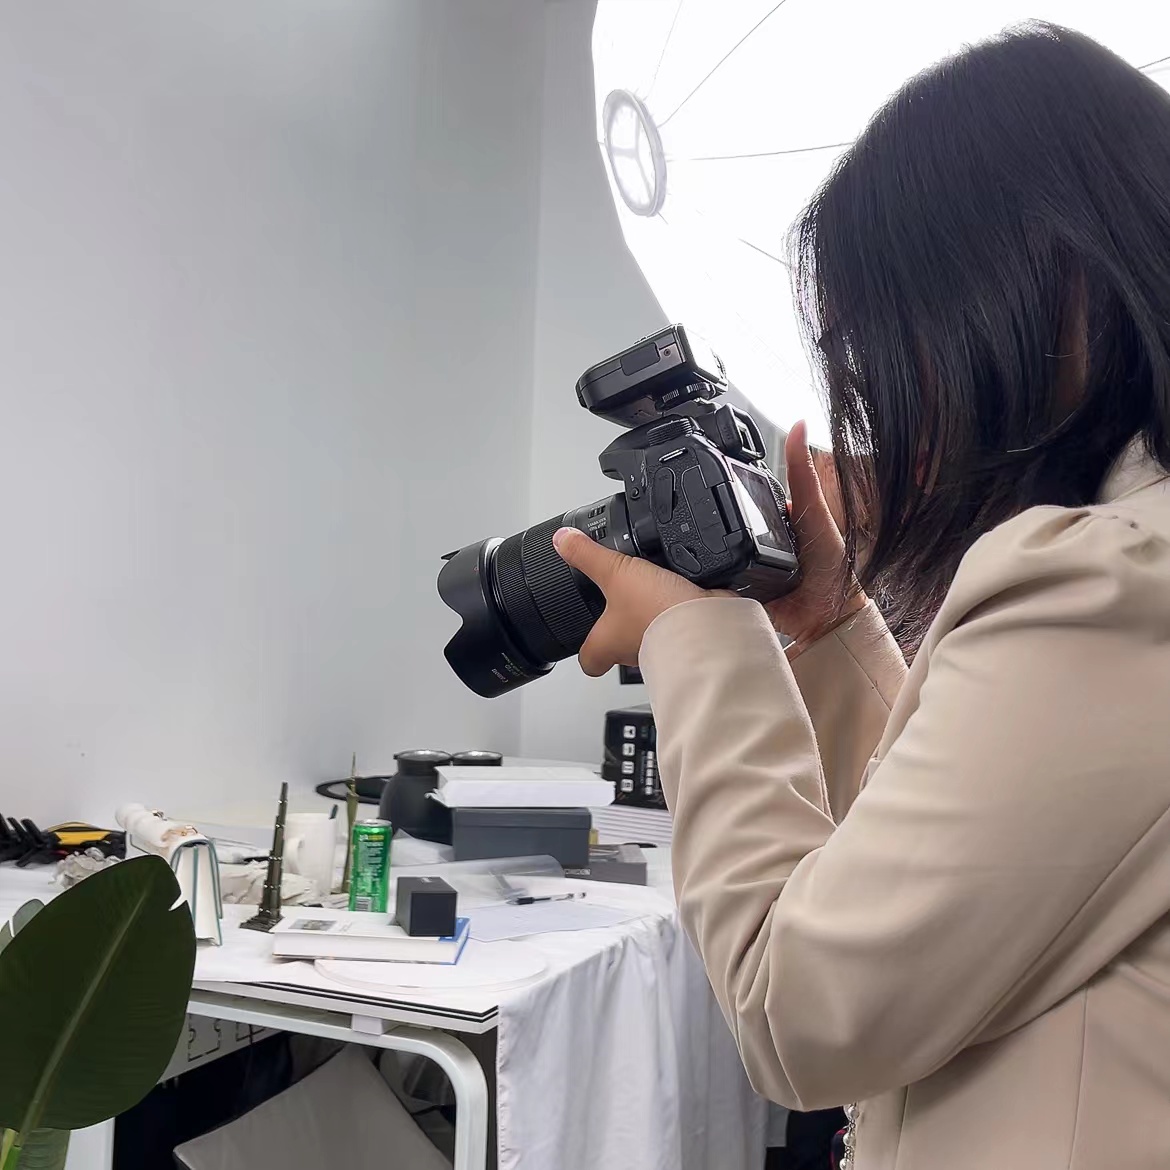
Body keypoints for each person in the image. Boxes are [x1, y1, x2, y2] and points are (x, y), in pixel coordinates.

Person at [554, 23, 1170, 1170]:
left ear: (1054, 282)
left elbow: (798, 1008)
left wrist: (697, 641)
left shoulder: (1112, 584)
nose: (885, 398)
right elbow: (975, 847)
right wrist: (831, 627)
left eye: (887, 343)